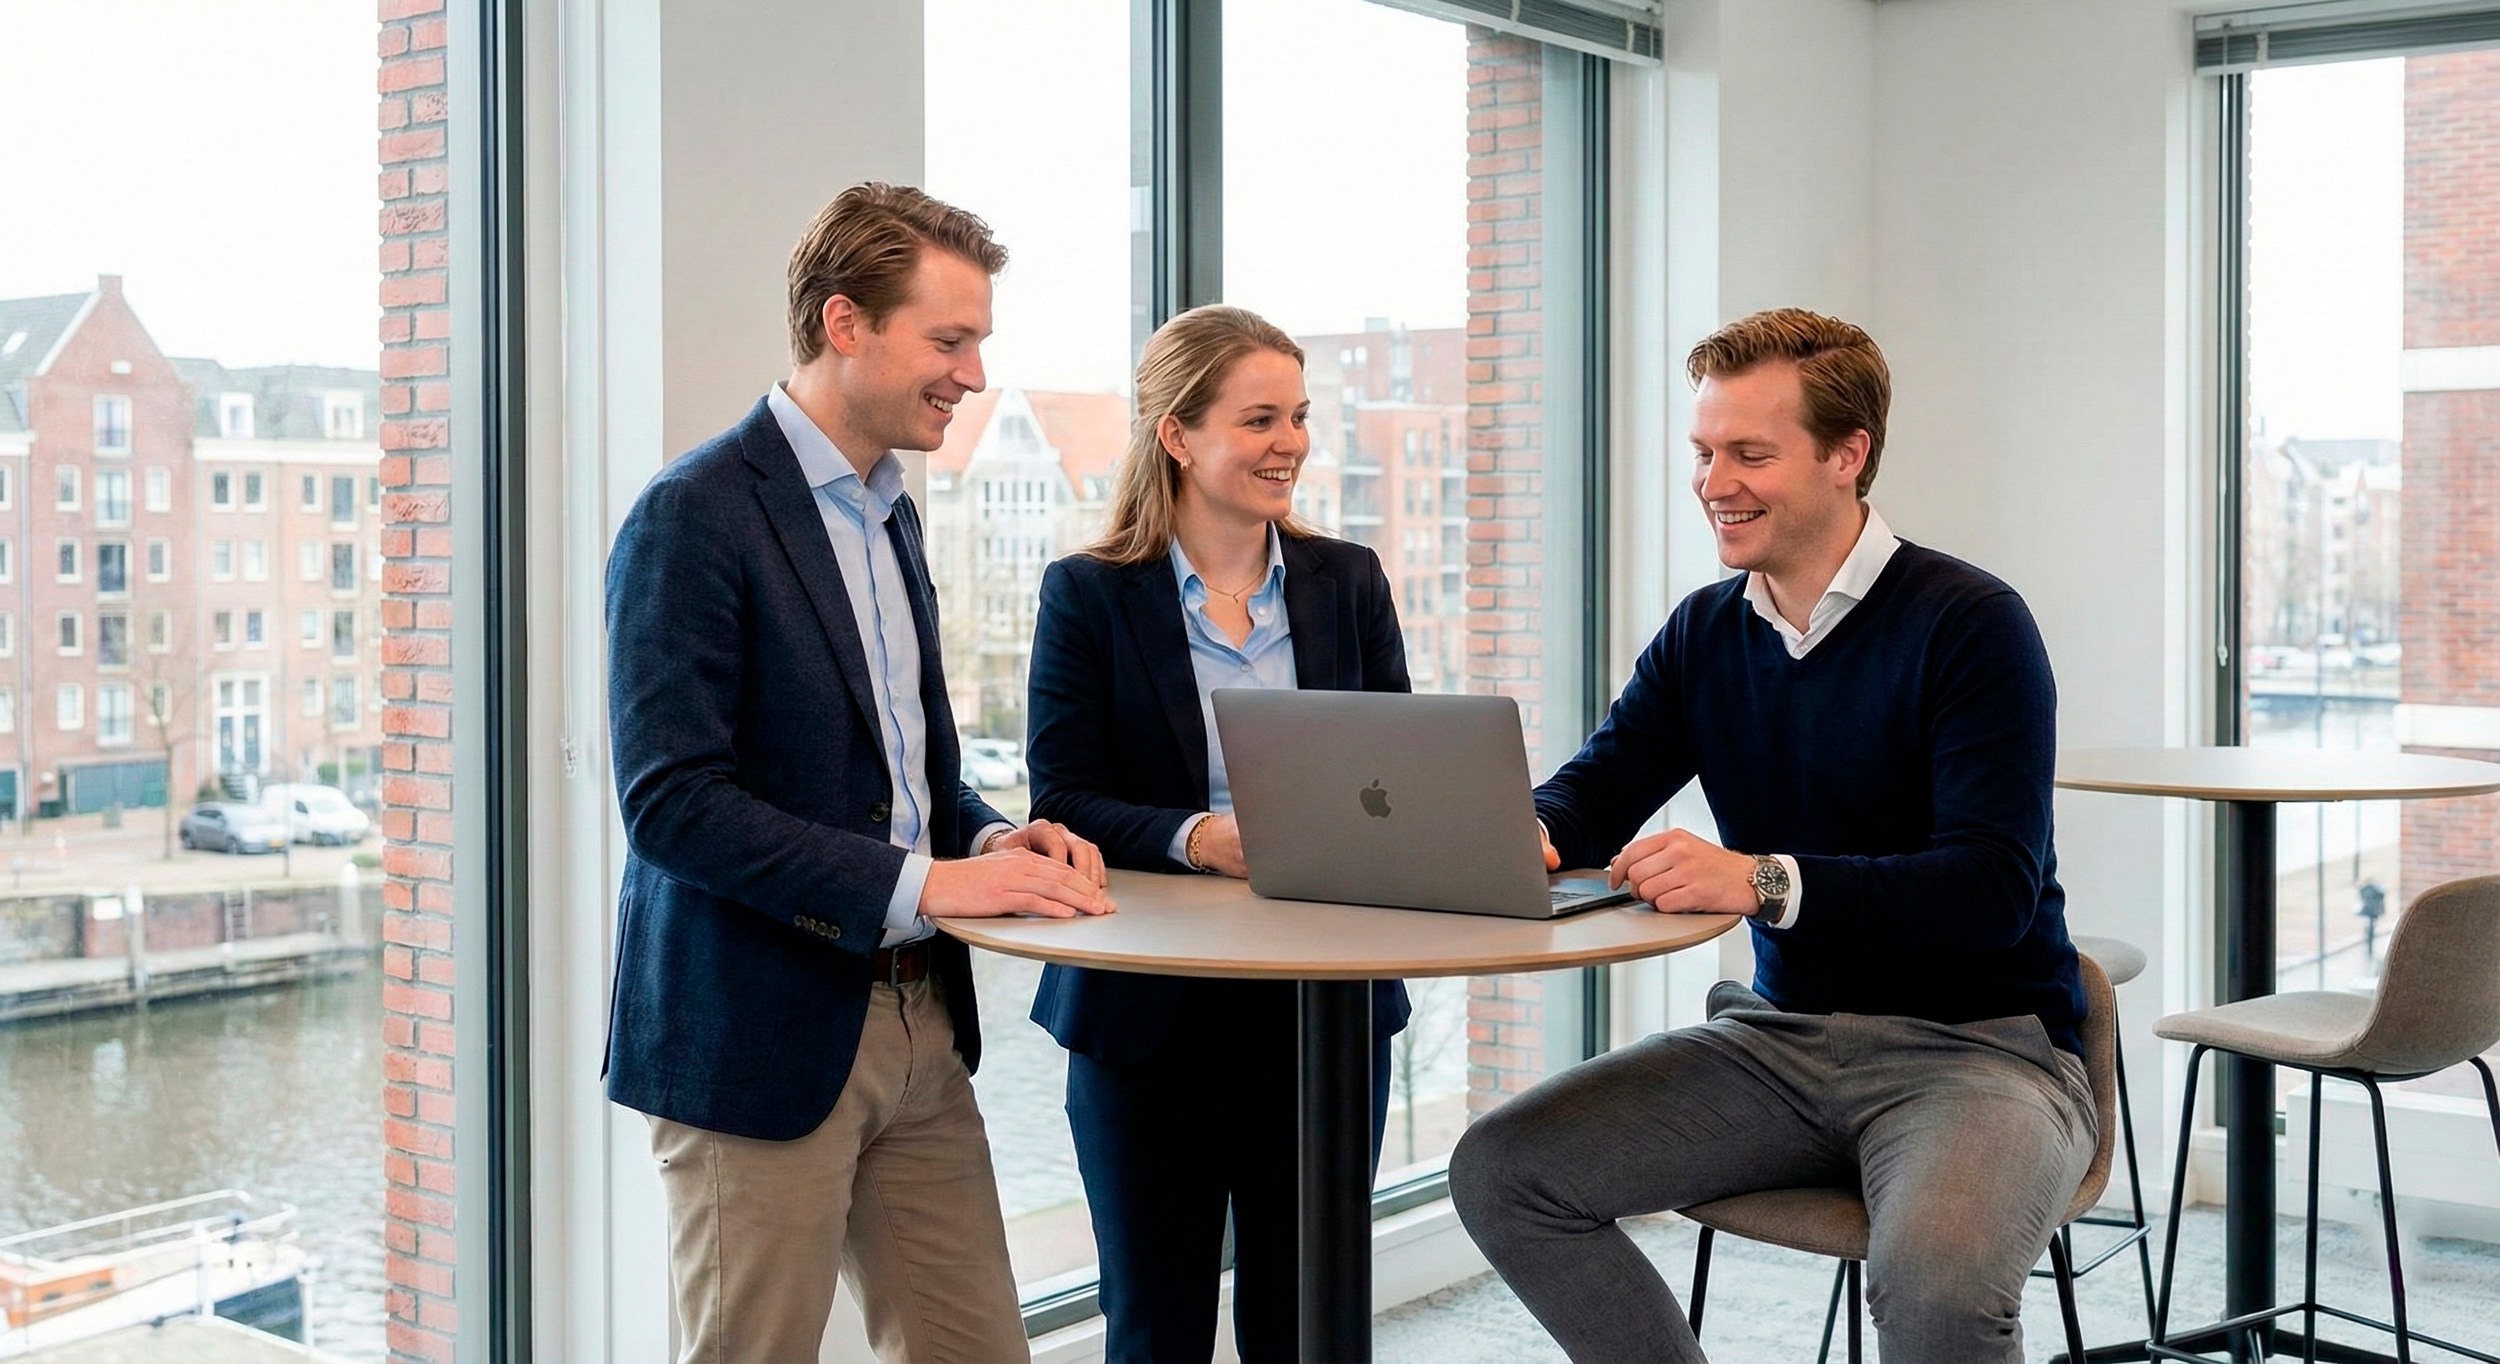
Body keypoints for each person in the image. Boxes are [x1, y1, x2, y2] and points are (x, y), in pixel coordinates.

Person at [1448, 308, 2094, 1364]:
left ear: (1849, 454)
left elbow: (1990, 887)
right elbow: (1590, 796)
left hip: (1978, 1051)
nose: (1714, 481)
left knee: (1934, 1282)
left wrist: (1761, 879)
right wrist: (1513, 833)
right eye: (1704, 451)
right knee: (1503, 1170)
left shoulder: (1971, 622)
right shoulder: (1706, 631)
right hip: (1778, 1040)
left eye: (1750, 453)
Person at [604, 182, 1114, 1364]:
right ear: (846, 324)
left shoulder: (892, 513)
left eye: (977, 341)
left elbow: (906, 771)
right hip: (756, 1038)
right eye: (949, 340)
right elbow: (672, 803)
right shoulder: (693, 515)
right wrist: (932, 884)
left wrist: (985, 839)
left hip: (920, 1024)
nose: (973, 373)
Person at [1023, 305, 1413, 1363]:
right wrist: (1203, 837)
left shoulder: (1349, 583)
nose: (1288, 441)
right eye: (1257, 418)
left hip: (1323, 1013)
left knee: (1309, 1323)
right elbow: (1061, 797)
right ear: (1179, 435)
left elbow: (1401, 773)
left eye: (1296, 415)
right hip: (1150, 1013)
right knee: (1156, 1324)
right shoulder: (1088, 595)